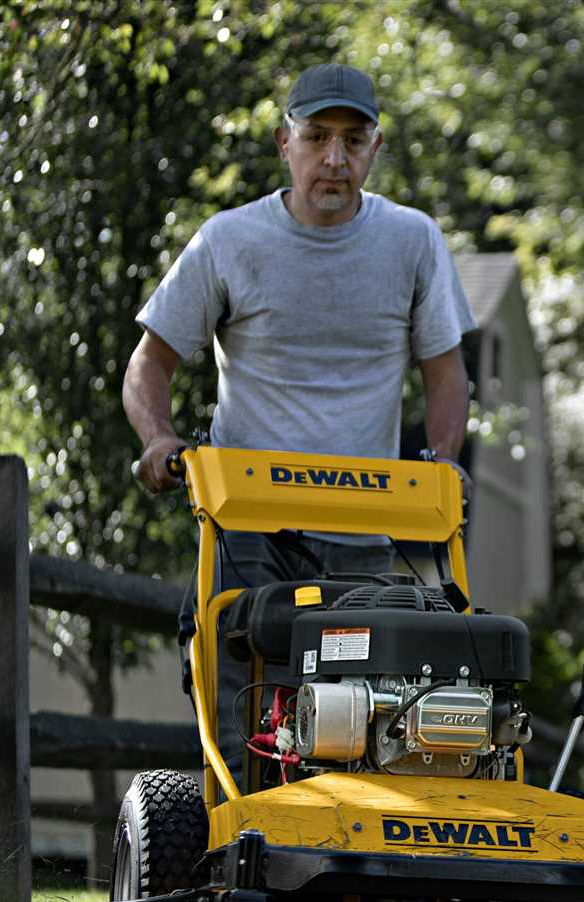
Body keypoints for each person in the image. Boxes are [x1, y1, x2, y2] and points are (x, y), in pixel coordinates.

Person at [121, 62, 477, 762]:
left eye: (353, 140)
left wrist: (443, 461)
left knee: (365, 706)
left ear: (376, 148)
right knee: (241, 685)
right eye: (317, 137)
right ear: (285, 143)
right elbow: (149, 363)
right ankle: (236, 838)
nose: (334, 159)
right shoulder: (229, 241)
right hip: (247, 516)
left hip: (367, 518)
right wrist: (158, 439)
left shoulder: (411, 241)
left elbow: (447, 375)